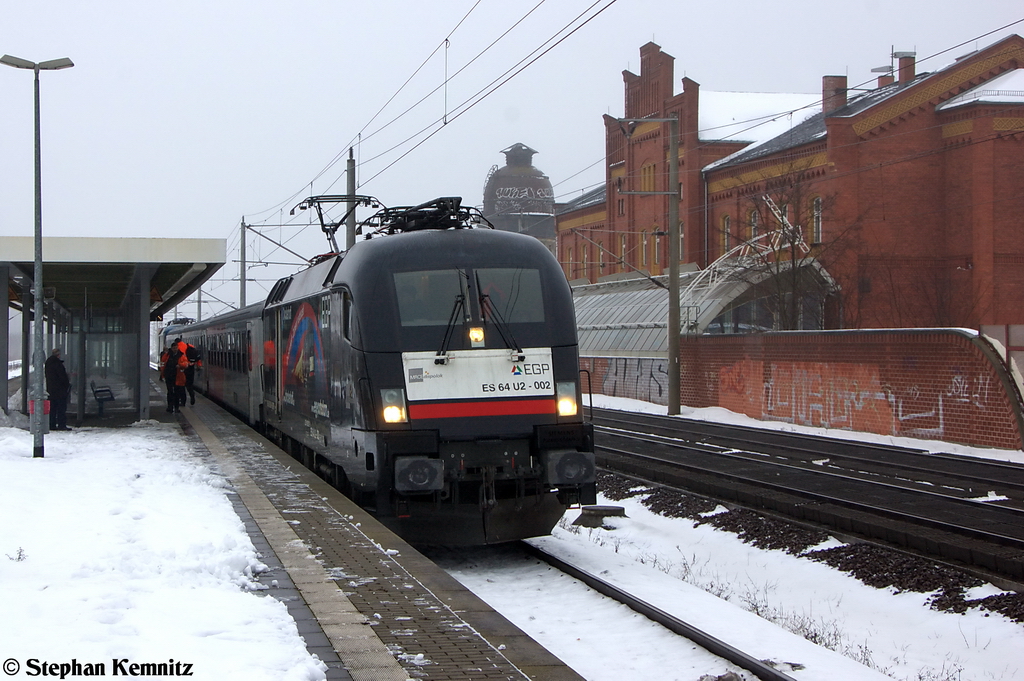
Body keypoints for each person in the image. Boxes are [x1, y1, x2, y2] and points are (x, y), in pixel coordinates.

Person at [44, 348, 71, 431]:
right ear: (58, 355)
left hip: (51, 389)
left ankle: (52, 424)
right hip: (60, 390)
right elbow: (62, 377)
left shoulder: (48, 364)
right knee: (61, 408)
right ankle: (61, 424)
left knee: (52, 408)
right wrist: (67, 385)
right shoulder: (58, 364)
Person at [180, 340, 201, 406]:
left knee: (181, 386)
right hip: (191, 368)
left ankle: (183, 401)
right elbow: (198, 359)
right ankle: (192, 396)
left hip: (182, 370)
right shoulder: (190, 347)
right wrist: (198, 365)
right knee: (189, 385)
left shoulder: (180, 349)